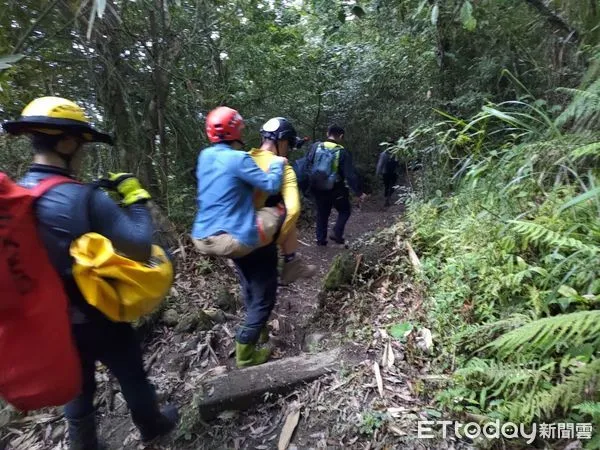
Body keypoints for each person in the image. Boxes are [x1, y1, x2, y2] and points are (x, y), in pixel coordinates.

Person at [2, 96, 178, 450]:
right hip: (99, 314)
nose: (82, 152)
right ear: (65, 142)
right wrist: (136, 197)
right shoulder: (83, 198)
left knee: (78, 387)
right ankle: (152, 426)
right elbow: (141, 246)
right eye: (81, 143)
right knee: (131, 373)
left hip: (51, 320)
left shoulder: (17, 199)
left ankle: (84, 445)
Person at [191, 106, 286, 368]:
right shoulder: (239, 158)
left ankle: (258, 328)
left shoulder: (205, 156)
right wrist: (278, 164)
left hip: (203, 236)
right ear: (234, 130)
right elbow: (271, 185)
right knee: (277, 211)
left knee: (248, 278)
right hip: (233, 238)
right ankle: (245, 353)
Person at [249, 117, 317, 285]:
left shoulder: (243, 159)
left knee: (250, 286)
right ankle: (290, 262)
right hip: (261, 238)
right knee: (263, 299)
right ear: (283, 142)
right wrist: (278, 238)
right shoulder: (284, 168)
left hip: (235, 233)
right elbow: (293, 210)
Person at [307, 124, 367, 246]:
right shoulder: (342, 152)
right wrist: (358, 192)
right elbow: (350, 175)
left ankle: (320, 240)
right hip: (336, 188)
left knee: (322, 213)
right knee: (345, 210)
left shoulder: (315, 147)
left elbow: (307, 165)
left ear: (327, 133)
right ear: (341, 136)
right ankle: (337, 233)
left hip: (317, 187)